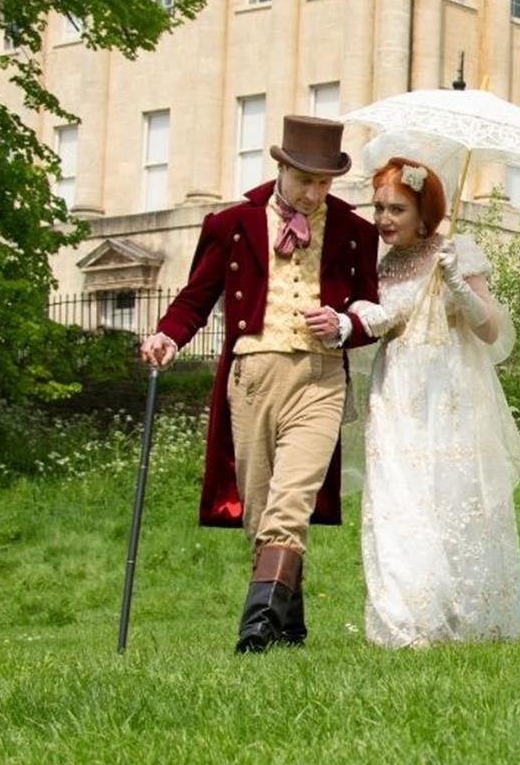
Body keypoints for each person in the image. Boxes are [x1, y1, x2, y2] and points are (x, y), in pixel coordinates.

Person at [139, 114, 380, 653]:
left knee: (290, 501)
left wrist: (346, 325)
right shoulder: (230, 224)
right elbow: (196, 298)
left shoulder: (354, 232)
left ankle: (256, 628)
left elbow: (371, 307)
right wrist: (166, 337)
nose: (316, 192)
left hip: (319, 379)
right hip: (249, 377)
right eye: (306, 180)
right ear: (282, 167)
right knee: (259, 508)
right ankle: (289, 626)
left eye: (326, 182)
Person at [347, 152, 520, 648]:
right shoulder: (381, 266)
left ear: (425, 211)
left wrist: (457, 285)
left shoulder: (459, 252)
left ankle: (461, 614)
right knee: (398, 496)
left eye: (397, 210)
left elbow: (490, 330)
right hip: (397, 387)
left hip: (450, 387)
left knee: (451, 496)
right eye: (379, 207)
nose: (384, 219)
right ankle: (409, 617)